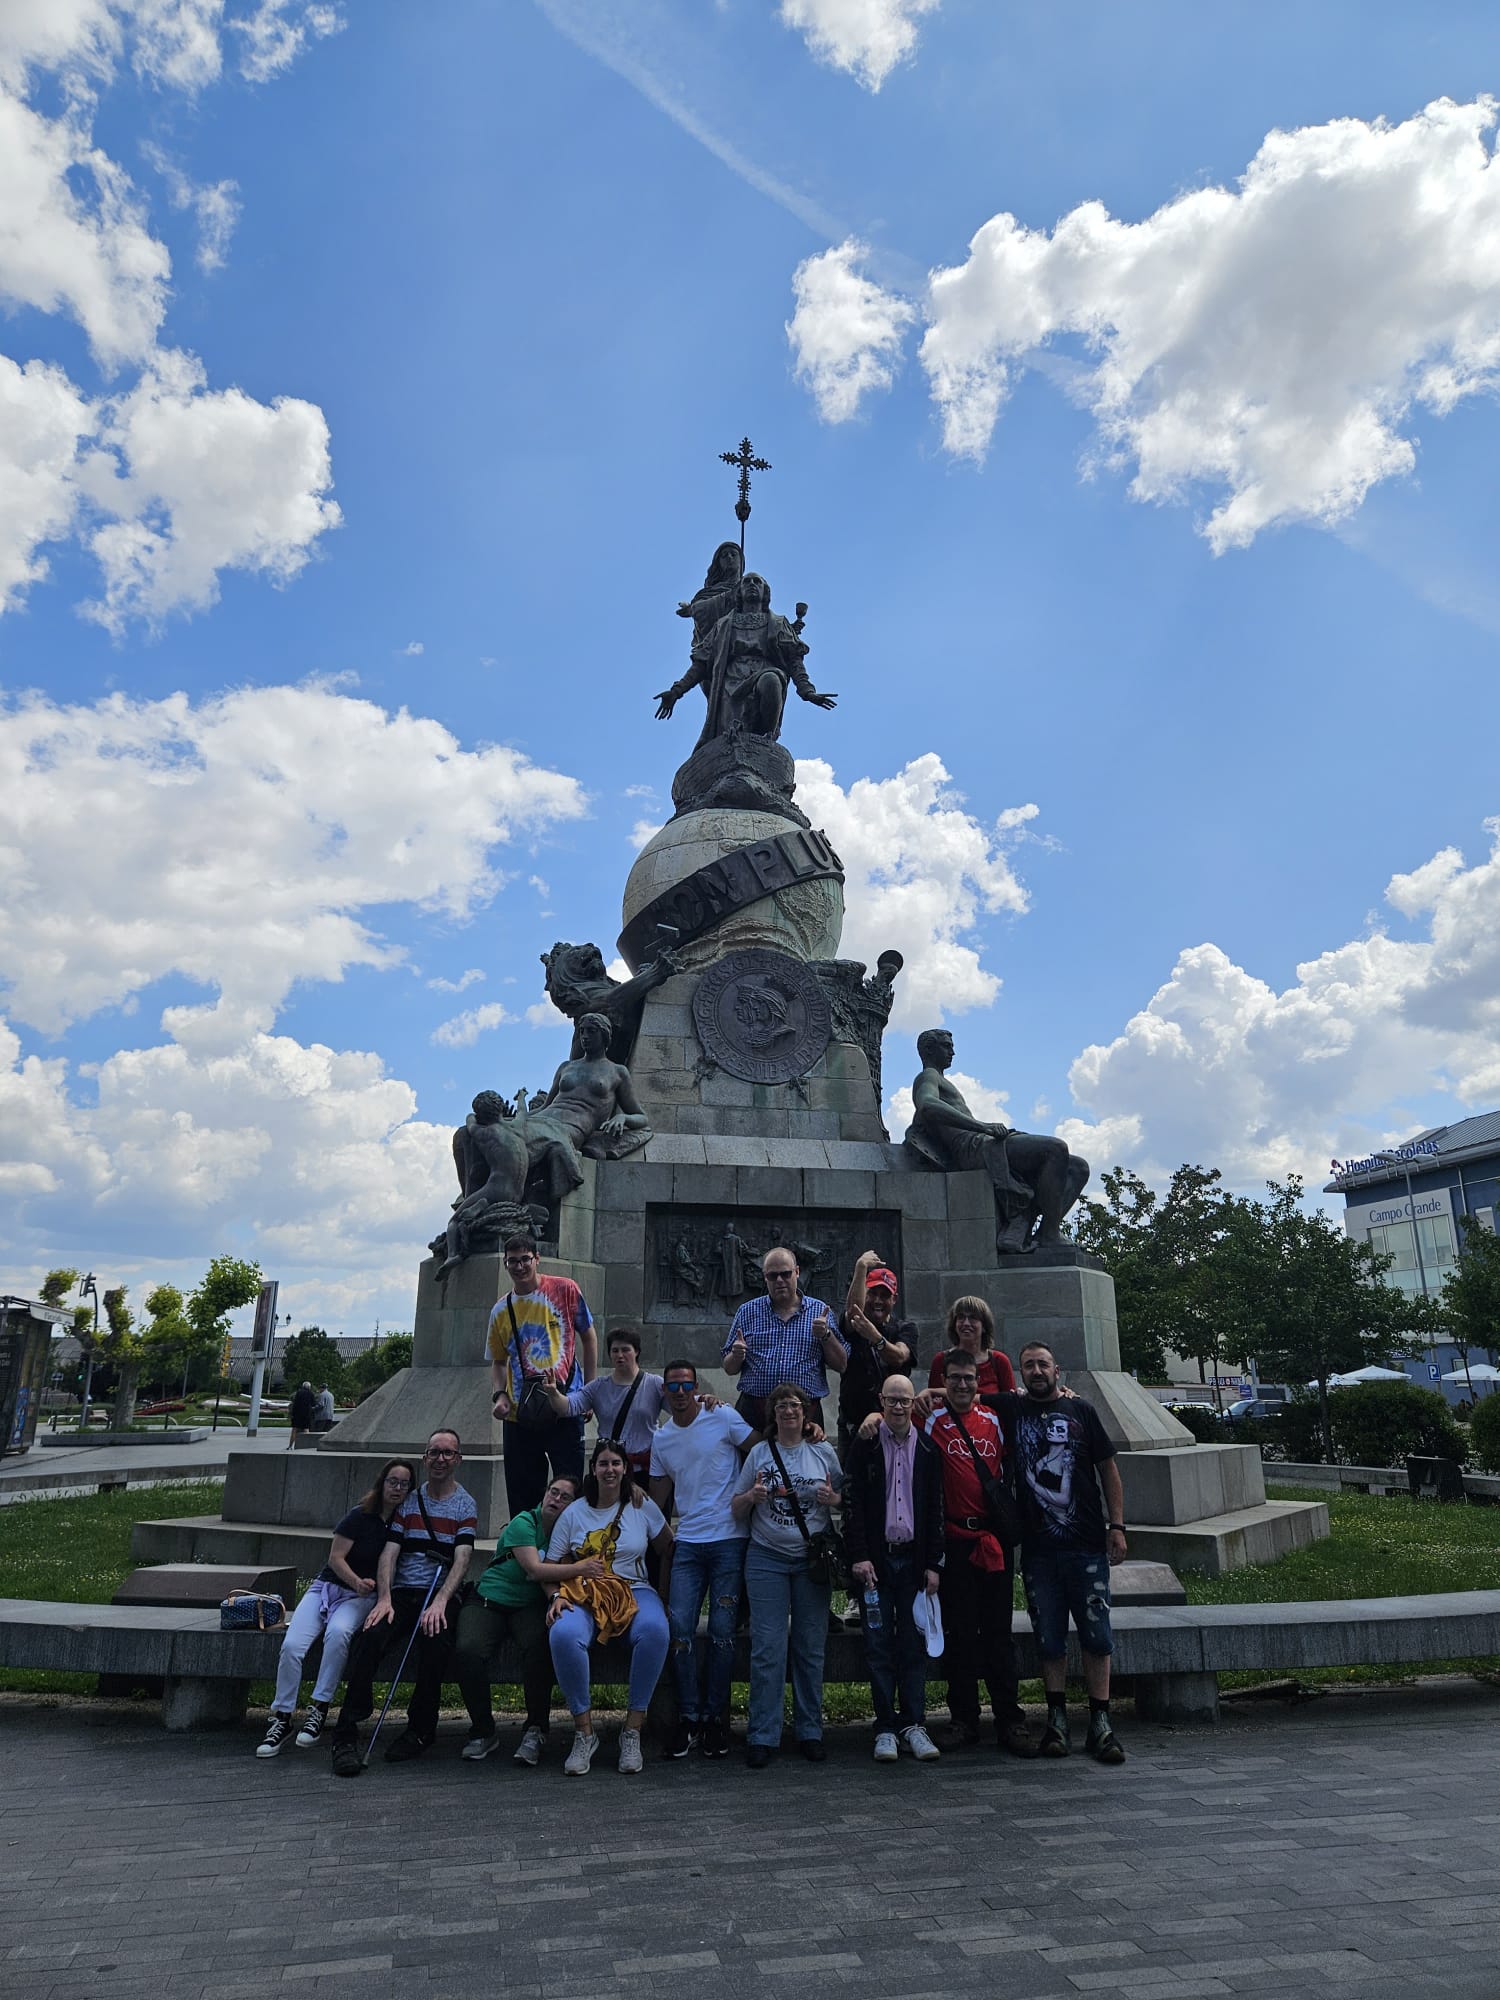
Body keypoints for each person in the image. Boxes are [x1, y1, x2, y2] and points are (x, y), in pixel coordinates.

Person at [329, 1429, 477, 1775]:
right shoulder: (409, 1501)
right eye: (434, 1452)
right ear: (425, 1458)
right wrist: (384, 1598)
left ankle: (421, 1729)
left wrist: (441, 1601)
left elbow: (462, 1558)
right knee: (371, 1637)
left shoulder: (465, 1504)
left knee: (437, 1643)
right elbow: (390, 1552)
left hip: (439, 1592)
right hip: (403, 1592)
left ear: (458, 1460)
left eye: (448, 1453)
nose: (440, 1459)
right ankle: (347, 1730)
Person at [1014, 1341, 1128, 1765]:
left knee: (1097, 1635)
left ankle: (1101, 1721)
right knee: (1049, 1638)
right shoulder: (1014, 1411)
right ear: (1021, 1373)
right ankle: (1057, 1720)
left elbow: (1108, 1469)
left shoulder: (1082, 1410)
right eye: (1029, 1365)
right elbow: (962, 1392)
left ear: (1057, 1370)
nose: (1037, 1371)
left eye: (1043, 1364)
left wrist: (1117, 1526)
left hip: (1086, 1547)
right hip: (1039, 1551)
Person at [256, 1458, 416, 1757]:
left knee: (339, 1634)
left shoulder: (404, 1523)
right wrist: (355, 1581)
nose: (397, 1488)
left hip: (361, 1599)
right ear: (382, 1483)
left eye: (404, 1484)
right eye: (392, 1481)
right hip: (328, 1587)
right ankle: (282, 1716)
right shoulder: (360, 1515)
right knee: (292, 1646)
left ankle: (319, 1707)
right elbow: (335, 1558)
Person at [923, 1354, 1035, 1757]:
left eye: (969, 1378)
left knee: (998, 1633)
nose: (962, 1385)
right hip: (955, 1540)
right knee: (961, 1633)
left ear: (977, 1382)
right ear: (944, 1380)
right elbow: (892, 1421)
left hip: (992, 1539)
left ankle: (1009, 1719)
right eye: (955, 1378)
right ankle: (964, 1719)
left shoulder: (995, 1419)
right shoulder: (931, 1420)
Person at [545, 1438, 674, 1775]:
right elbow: (549, 1565)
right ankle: (584, 1733)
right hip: (587, 1594)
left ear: (625, 1468)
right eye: (603, 1463)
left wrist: (663, 1595)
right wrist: (556, 1596)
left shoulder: (641, 1505)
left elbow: (668, 1547)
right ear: (593, 1469)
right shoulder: (575, 1512)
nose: (610, 1470)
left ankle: (632, 1730)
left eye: (616, 1463)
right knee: (563, 1634)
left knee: (655, 1630)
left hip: (635, 1589)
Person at [731, 1382, 843, 1769]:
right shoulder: (760, 1453)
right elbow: (735, 1506)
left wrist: (834, 1500)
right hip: (767, 1558)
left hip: (811, 1561)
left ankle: (810, 1730)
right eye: (781, 1407)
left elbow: (845, 1498)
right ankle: (763, 1733)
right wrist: (752, 1498)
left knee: (810, 1648)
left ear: (806, 1411)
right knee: (768, 1649)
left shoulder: (822, 1450)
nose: (789, 1412)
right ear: (773, 1414)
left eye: (794, 1405)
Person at [648, 1359, 755, 1760]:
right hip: (689, 1543)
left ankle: (713, 1719)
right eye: (672, 1387)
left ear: (696, 1387)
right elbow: (657, 1499)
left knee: (723, 1631)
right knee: (679, 1628)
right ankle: (689, 1716)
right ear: (664, 1392)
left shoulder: (721, 1416)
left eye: (686, 1385)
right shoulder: (662, 1439)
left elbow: (761, 1447)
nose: (680, 1393)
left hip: (729, 1539)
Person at [453, 1472, 596, 1768]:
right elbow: (534, 1570)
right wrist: (582, 1567)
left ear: (573, 1505)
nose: (556, 1499)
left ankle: (536, 1730)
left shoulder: (570, 1529)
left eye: (565, 1497)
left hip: (529, 1607)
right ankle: (482, 1730)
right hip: (489, 1599)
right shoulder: (524, 1522)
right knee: (467, 1649)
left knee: (540, 1647)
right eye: (553, 1492)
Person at [906, 1027, 1088, 1252]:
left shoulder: (942, 1081)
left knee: (1078, 1168)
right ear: (928, 1049)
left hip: (984, 1141)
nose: (952, 1052)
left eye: (952, 1047)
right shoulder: (928, 1077)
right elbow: (926, 1104)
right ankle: (1049, 1235)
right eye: (946, 1047)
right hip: (975, 1147)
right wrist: (983, 1126)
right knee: (1055, 1149)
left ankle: (1036, 1229)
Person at [842, 1377, 944, 1764]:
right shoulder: (865, 1445)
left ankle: (913, 1723)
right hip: (877, 1564)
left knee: (913, 1647)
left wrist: (934, 1563)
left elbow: (935, 1509)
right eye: (892, 1400)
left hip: (914, 1563)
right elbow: (851, 1502)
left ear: (913, 1404)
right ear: (881, 1401)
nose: (899, 1407)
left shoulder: (929, 1449)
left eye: (905, 1401)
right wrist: (859, 1555)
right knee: (878, 1644)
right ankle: (885, 1725)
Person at [489, 1232, 597, 1515]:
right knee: (523, 1497)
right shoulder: (500, 1310)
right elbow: (498, 1362)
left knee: (570, 1489)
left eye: (525, 1259)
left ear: (537, 1258)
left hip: (566, 1405)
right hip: (520, 1414)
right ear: (505, 1264)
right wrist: (499, 1395)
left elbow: (588, 1337)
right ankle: (527, 1541)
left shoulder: (565, 1289)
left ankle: (566, 1541)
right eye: (513, 1261)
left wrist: (590, 1391)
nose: (520, 1266)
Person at [722, 1247, 848, 1433]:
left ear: (797, 1272)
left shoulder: (820, 1311)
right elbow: (729, 1368)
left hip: (805, 1414)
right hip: (755, 1411)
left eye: (785, 1274)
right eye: (773, 1276)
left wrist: (826, 1336)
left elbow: (841, 1364)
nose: (779, 1280)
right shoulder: (747, 1312)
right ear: (765, 1277)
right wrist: (736, 1356)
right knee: (751, 1453)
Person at [542, 1327, 663, 1477]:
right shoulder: (598, 1387)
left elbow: (680, 1409)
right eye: (615, 1351)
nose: (620, 1355)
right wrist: (553, 1393)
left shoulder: (655, 1384)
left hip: (645, 1469)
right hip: (610, 1470)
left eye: (625, 1350)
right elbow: (568, 1407)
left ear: (636, 1351)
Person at [838, 1253, 917, 1449]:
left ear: (894, 1299)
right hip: (852, 1425)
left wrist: (875, 1337)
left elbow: (899, 1357)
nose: (878, 1301)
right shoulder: (856, 1325)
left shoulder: (905, 1328)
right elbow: (853, 1312)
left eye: (884, 1295)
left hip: (892, 1424)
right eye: (872, 1294)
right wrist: (861, 1267)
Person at [927, 1297, 1015, 1399]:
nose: (966, 1323)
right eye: (961, 1317)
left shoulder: (999, 1361)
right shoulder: (940, 1360)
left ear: (984, 1326)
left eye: (973, 1318)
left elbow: (1011, 1402)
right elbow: (933, 1401)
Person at [288, 1380, 316, 1450]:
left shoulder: (299, 1393)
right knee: (306, 1429)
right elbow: (313, 1404)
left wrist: (292, 1414)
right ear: (309, 1387)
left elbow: (295, 1404)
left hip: (297, 1415)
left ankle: (290, 1446)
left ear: (303, 1386)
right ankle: (306, 1446)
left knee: (294, 1429)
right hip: (307, 1415)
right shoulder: (311, 1393)